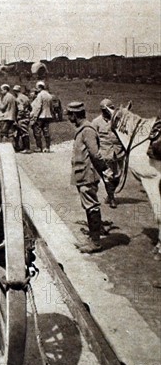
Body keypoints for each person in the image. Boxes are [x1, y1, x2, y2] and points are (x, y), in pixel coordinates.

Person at [67, 101, 110, 254]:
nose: (67, 117)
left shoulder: (87, 130)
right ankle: (92, 238)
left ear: (74, 115)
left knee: (92, 206)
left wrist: (105, 170)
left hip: (87, 174)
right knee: (88, 206)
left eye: (69, 114)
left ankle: (96, 243)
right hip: (82, 173)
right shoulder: (82, 129)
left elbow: (95, 154)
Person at [92, 99, 125, 208]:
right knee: (108, 176)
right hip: (105, 152)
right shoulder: (96, 122)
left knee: (118, 176)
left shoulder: (119, 121)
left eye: (109, 109)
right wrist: (96, 152)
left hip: (118, 152)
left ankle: (110, 194)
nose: (107, 112)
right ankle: (111, 198)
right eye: (104, 110)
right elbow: (93, 138)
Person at [30, 80, 53, 152]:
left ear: (40, 87)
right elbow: (51, 107)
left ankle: (39, 147)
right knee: (46, 131)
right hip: (48, 115)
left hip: (40, 116)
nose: (36, 89)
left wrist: (35, 116)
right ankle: (47, 147)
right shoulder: (49, 95)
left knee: (37, 131)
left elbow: (38, 107)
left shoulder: (40, 95)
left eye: (37, 88)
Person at [12, 85, 31, 153]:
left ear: (15, 91)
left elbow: (21, 109)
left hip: (22, 118)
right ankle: (24, 147)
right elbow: (30, 107)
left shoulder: (18, 99)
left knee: (24, 132)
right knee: (23, 132)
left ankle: (27, 148)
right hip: (27, 117)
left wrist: (17, 118)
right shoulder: (26, 97)